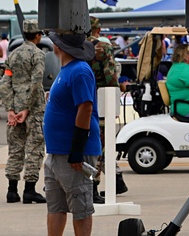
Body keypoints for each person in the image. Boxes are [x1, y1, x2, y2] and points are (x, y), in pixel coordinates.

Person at [43, 31, 101, 236]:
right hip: (57, 152)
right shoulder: (66, 70)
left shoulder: (80, 71)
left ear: (61, 47)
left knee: (80, 207)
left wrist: (77, 149)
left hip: (73, 152)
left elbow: (85, 108)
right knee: (55, 206)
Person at [1, 20, 47, 204]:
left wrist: (11, 110)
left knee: (15, 148)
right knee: (34, 148)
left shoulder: (13, 55)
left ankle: (12, 191)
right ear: (37, 35)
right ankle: (30, 190)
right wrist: (27, 108)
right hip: (33, 109)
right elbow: (36, 83)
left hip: (15, 105)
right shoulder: (38, 55)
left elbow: (5, 83)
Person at [87, 16, 129, 203]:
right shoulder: (103, 48)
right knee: (100, 145)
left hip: (81, 100)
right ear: (98, 30)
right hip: (101, 103)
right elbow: (111, 77)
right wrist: (116, 97)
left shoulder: (74, 47)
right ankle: (94, 188)